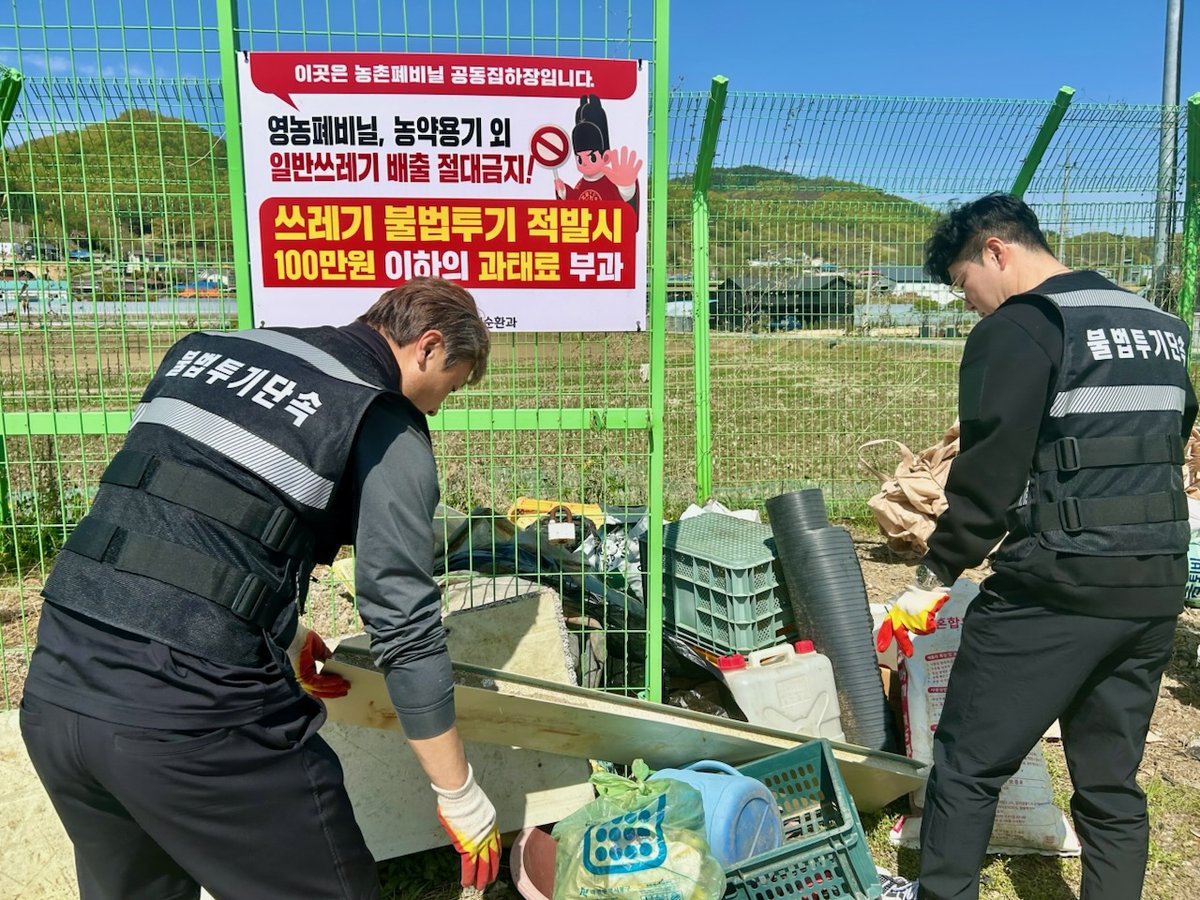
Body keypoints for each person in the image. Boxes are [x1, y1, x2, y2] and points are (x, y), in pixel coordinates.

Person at [19, 277, 501, 899]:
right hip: (193, 718)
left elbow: (179, 515)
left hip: (57, 691)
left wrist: (279, 626)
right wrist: (459, 793)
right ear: (428, 347)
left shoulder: (211, 352)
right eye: (450, 388)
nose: (437, 408)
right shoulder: (379, 419)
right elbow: (404, 625)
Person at [876, 194, 1196, 900]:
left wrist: (935, 574)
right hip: (1155, 582)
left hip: (1056, 586)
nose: (968, 304)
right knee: (1110, 780)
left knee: (968, 765)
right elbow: (1171, 433)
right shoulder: (1160, 324)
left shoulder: (1022, 326)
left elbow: (989, 472)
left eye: (963, 283)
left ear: (995, 250)